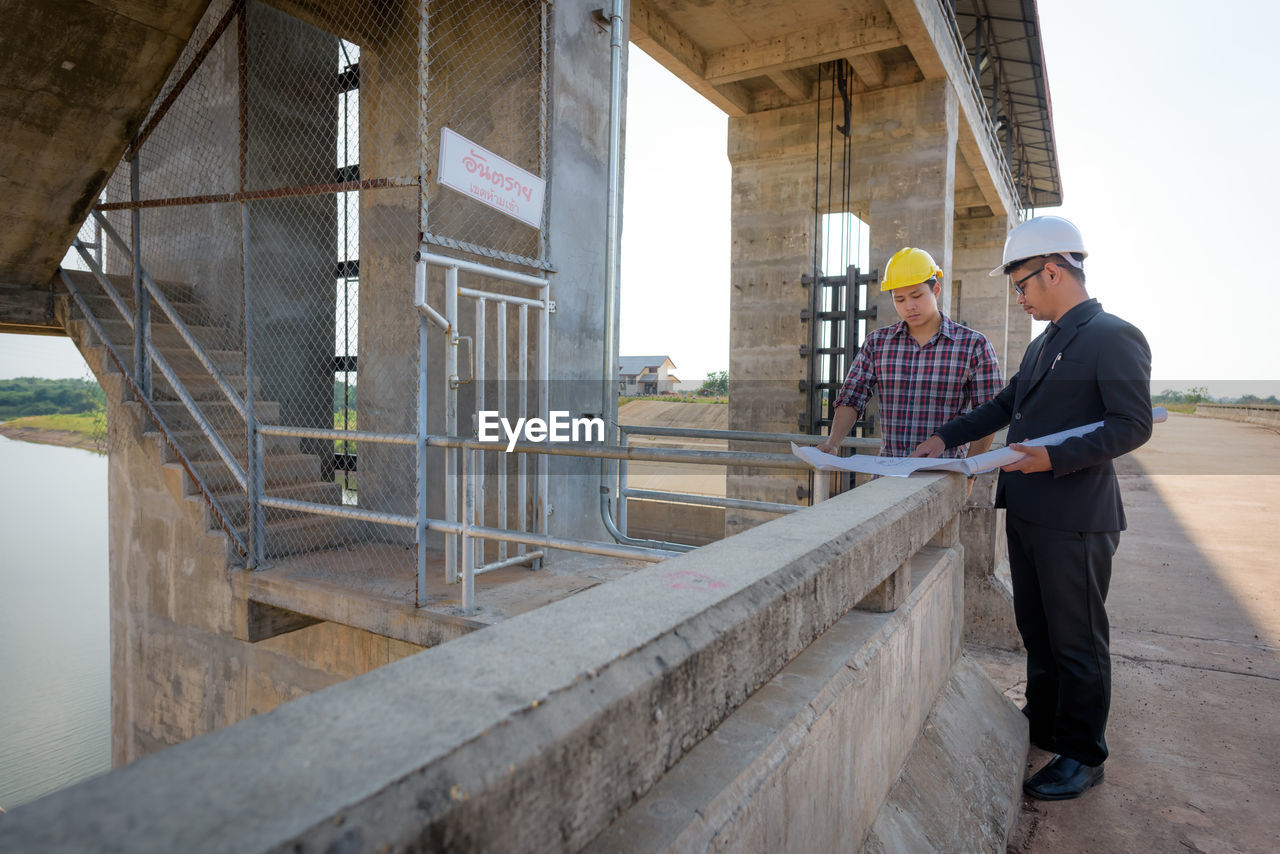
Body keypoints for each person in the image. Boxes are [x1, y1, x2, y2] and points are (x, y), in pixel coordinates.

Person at [911, 215, 1153, 801]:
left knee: (1078, 639)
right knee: (1037, 631)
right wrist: (945, 437)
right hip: (1027, 513)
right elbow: (1004, 405)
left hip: (1075, 518)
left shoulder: (1113, 336)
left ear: (1051, 271)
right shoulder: (1046, 343)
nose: (1018, 297)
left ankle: (1083, 753)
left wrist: (1050, 459)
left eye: (1020, 285)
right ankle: (1042, 723)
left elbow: (1132, 425)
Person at [817, 247, 1002, 464]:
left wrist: (971, 471)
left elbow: (988, 415)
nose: (909, 306)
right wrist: (833, 443)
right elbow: (852, 397)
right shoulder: (877, 343)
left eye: (917, 295)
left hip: (942, 472)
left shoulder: (974, 345)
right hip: (888, 470)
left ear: (936, 291)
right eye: (900, 299)